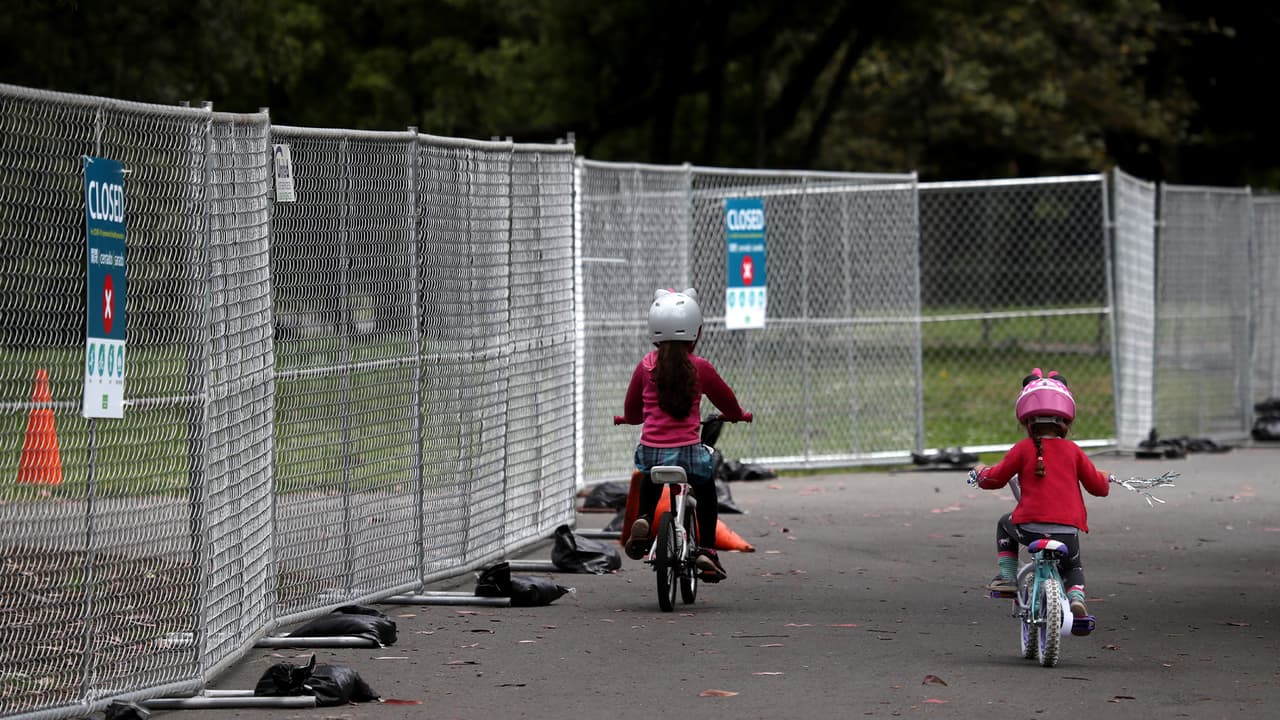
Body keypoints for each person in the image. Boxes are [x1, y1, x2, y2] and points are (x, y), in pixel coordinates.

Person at [613, 288, 752, 582]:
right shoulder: (701, 368)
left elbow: (634, 412)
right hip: (688, 451)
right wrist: (738, 415)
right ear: (696, 331)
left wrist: (628, 419)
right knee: (705, 486)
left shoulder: (645, 366)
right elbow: (727, 402)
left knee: (650, 471)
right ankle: (707, 549)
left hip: (651, 449)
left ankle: (645, 518)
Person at [969, 368, 1110, 628]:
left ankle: (1008, 578)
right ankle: (1076, 595)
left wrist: (980, 474)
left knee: (1004, 523)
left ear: (1026, 421)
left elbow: (995, 478)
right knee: (1073, 565)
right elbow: (1098, 487)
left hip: (1030, 530)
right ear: (1066, 422)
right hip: (1067, 531)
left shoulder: (1022, 449)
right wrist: (1105, 477)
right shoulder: (1074, 452)